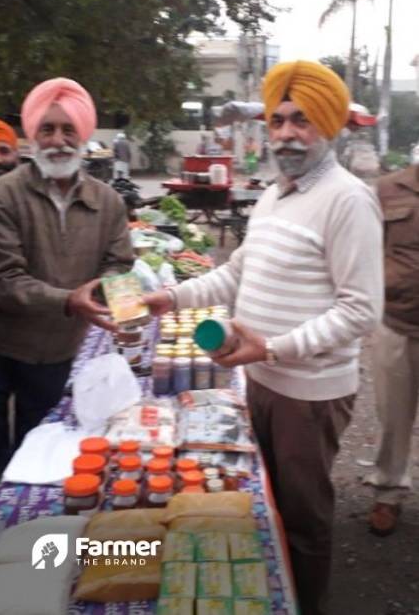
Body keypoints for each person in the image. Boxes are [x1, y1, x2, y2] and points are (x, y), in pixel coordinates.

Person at [144, 60, 383, 615]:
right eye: (277, 121)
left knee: (304, 519)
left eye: (301, 121)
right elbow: (236, 273)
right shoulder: (276, 197)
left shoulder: (348, 200)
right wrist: (171, 297)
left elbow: (360, 311)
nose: (286, 134)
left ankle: (305, 603)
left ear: (325, 124)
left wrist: (273, 348)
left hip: (310, 393)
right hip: (262, 381)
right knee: (266, 501)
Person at [0, 76, 134, 529]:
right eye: (47, 129)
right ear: (31, 135)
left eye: (67, 130)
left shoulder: (108, 202)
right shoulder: (2, 196)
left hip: (60, 350)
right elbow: (1, 280)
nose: (58, 140)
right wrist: (71, 299)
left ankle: (30, 542)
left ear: (84, 136)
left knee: (42, 457)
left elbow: (120, 264)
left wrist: (121, 310)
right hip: (0, 350)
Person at [365, 163, 419, 535]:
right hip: (396, 322)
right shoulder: (386, 189)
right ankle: (388, 491)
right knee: (393, 415)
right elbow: (364, 251)